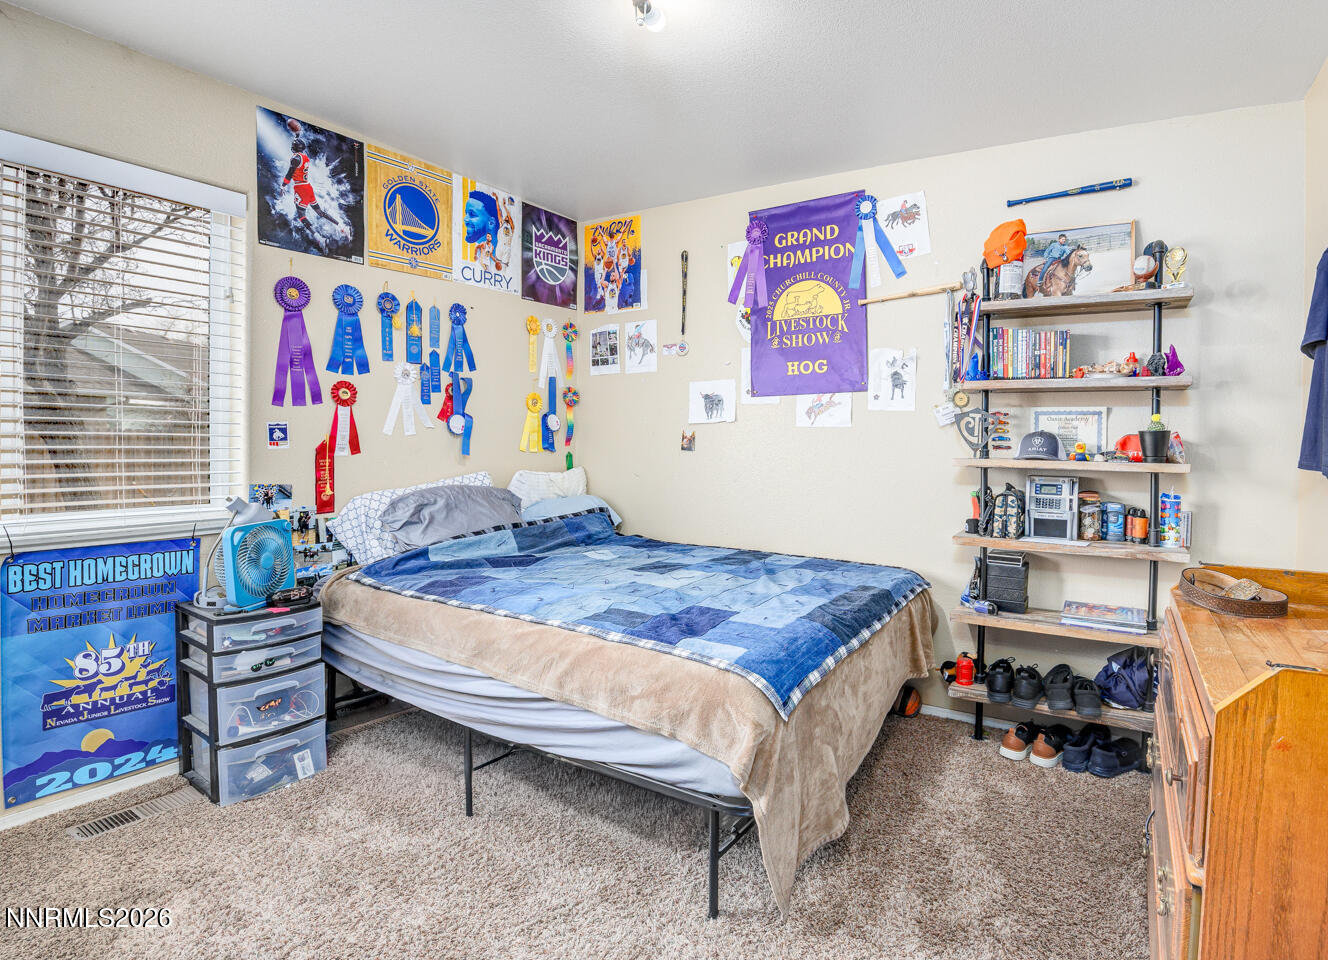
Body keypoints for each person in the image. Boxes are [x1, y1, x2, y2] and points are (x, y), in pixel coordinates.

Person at [283, 136, 349, 238]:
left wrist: (283, 185)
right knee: (320, 212)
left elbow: (290, 173)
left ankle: (318, 237)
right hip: (308, 187)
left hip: (300, 188)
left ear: (294, 148)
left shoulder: (295, 158)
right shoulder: (305, 158)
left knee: (301, 216)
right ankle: (341, 226)